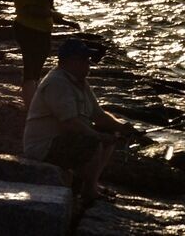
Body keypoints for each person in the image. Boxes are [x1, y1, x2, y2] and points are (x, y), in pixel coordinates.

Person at [23, 39, 139, 204]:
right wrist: (97, 136)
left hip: (64, 139)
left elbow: (98, 115)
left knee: (108, 132)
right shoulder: (57, 82)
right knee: (93, 140)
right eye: (85, 60)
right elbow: (69, 123)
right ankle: (88, 190)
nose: (89, 63)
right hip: (44, 147)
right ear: (71, 62)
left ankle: (90, 185)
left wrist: (123, 127)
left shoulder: (79, 82)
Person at [13, 0, 66, 107]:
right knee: (31, 69)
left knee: (35, 69)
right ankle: (30, 105)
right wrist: (52, 14)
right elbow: (28, 9)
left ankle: (33, 101)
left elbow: (41, 2)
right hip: (30, 30)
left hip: (39, 29)